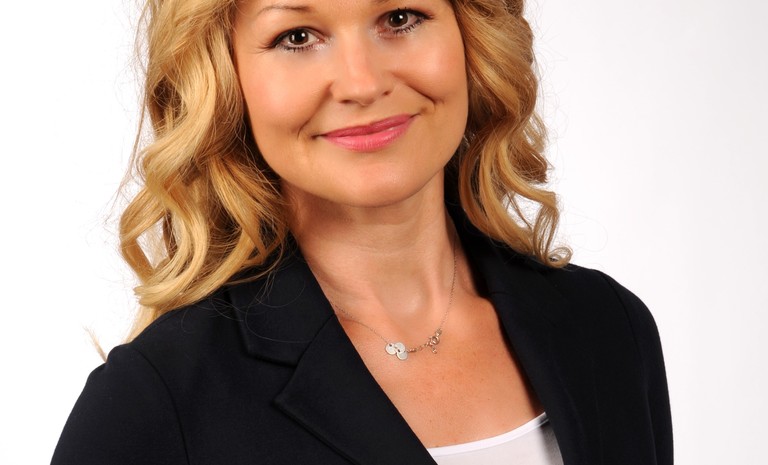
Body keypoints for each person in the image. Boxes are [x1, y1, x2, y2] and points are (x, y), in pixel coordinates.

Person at [52, 0, 673, 463]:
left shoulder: (608, 329)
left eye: (401, 18)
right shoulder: (153, 404)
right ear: (224, 77)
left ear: (471, 36)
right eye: (297, 36)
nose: (362, 82)